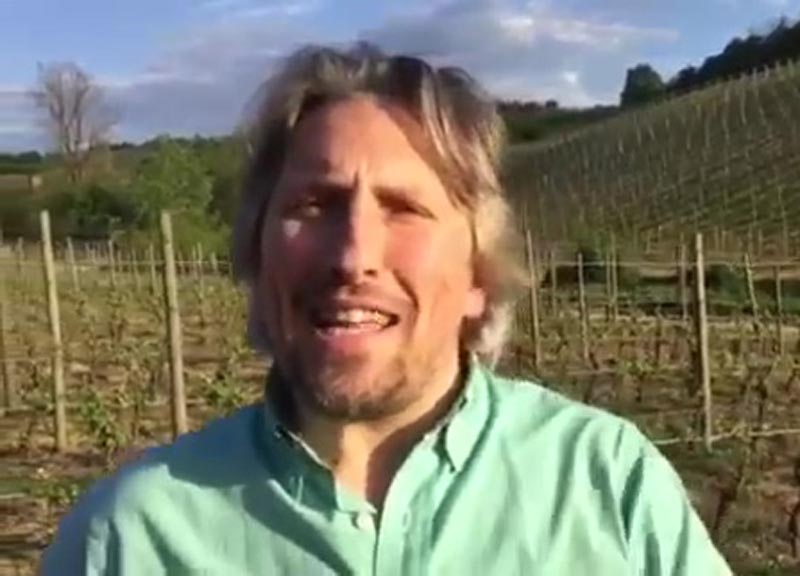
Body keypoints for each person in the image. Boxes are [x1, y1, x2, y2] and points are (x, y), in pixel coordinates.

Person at [41, 43, 732, 575]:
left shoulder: (606, 484)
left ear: (478, 275)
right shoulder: (131, 539)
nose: (353, 256)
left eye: (404, 208)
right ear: (258, 255)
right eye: (314, 204)